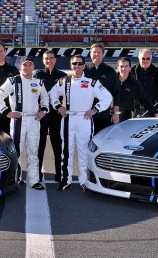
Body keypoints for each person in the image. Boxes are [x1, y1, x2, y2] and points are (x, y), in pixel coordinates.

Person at [49, 55, 112, 191]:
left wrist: (95, 109)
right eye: (74, 64)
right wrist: (58, 106)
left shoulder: (92, 82)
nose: (77, 66)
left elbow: (107, 97)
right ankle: (66, 179)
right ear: (71, 65)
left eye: (79, 64)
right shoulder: (63, 81)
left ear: (84, 65)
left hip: (85, 119)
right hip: (68, 118)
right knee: (66, 151)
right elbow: (52, 94)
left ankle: (84, 181)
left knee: (84, 151)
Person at [0, 55, 49, 190]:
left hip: (34, 120)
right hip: (18, 119)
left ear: (33, 67)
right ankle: (16, 178)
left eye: (30, 65)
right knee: (17, 151)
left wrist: (44, 111)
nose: (27, 67)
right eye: (25, 65)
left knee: (33, 151)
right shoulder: (13, 81)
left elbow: (45, 98)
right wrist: (6, 111)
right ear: (20, 66)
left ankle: (34, 180)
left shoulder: (39, 82)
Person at [34, 49, 67, 182]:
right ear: (43, 60)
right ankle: (37, 174)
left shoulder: (63, 75)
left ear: (55, 59)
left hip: (56, 116)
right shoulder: (37, 75)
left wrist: (63, 108)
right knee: (39, 145)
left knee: (57, 146)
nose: (49, 60)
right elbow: (33, 93)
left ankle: (59, 174)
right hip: (41, 116)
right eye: (46, 58)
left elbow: (67, 95)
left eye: (51, 58)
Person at [113, 57, 158, 123]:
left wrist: (154, 113)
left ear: (130, 68)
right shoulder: (111, 81)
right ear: (117, 68)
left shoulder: (135, 85)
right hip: (110, 115)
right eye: (121, 66)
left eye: (126, 66)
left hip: (125, 118)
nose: (124, 69)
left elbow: (145, 100)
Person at [84, 43, 117, 135]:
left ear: (103, 54)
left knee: (101, 141)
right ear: (90, 54)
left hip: (103, 114)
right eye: (94, 52)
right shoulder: (84, 70)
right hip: (86, 114)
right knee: (85, 142)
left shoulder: (110, 71)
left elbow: (117, 93)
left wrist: (116, 113)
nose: (96, 54)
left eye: (99, 52)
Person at [130, 48, 158, 117]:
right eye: (143, 58)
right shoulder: (131, 72)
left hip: (153, 110)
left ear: (151, 60)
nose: (145, 60)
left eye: (148, 58)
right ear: (139, 58)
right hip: (135, 110)